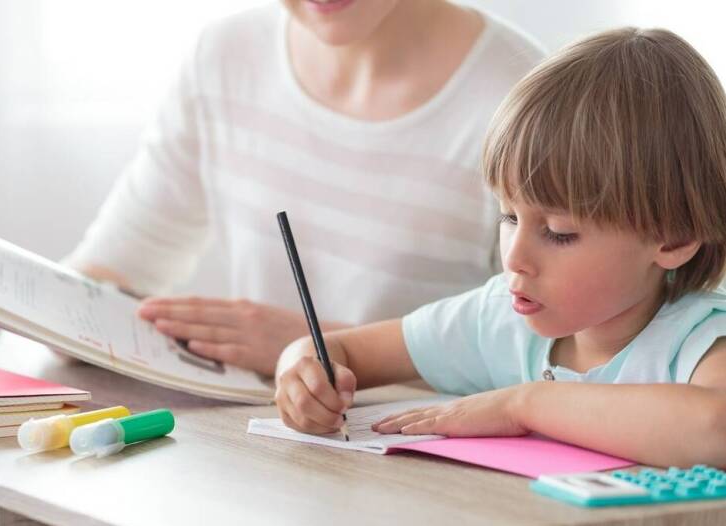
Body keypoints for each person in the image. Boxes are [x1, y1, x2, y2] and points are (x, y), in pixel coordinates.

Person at [274, 27, 726, 468]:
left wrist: (523, 404)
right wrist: (302, 374)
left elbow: (715, 429)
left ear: (675, 237)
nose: (513, 258)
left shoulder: (700, 341)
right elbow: (337, 351)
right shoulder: (499, 318)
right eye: (509, 217)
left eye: (559, 232)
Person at [64, 0, 544, 374]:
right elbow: (116, 267)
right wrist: (49, 315)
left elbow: (550, 359)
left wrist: (325, 347)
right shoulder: (224, 58)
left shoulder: (527, 99)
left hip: (426, 470)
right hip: (259, 448)